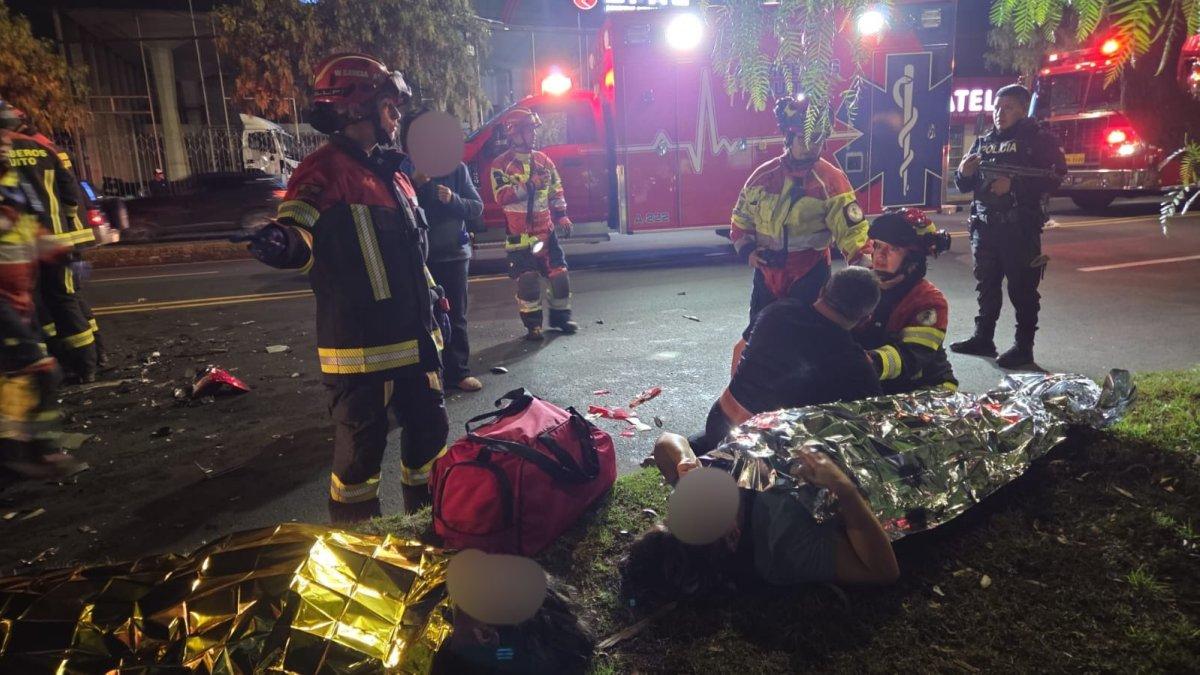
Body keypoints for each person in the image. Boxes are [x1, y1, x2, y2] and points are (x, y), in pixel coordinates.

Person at [236, 53, 449, 522]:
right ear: (359, 108)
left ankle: (427, 529)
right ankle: (358, 549)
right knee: (359, 461)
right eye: (390, 108)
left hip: (414, 341)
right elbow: (301, 231)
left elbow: (412, 257)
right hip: (360, 351)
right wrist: (283, 243)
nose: (396, 119)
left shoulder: (396, 174)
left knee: (429, 440)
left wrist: (436, 299)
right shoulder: (323, 171)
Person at [625, 432, 900, 593]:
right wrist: (842, 487)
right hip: (888, 458)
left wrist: (685, 458)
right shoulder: (783, 547)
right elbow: (883, 570)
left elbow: (665, 442)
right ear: (732, 537)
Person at [727, 96, 871, 375]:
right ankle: (754, 385)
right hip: (767, 273)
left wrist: (863, 271)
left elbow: (853, 232)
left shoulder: (831, 180)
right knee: (760, 335)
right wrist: (747, 251)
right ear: (789, 136)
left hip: (809, 273)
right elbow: (741, 220)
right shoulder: (762, 176)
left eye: (817, 138)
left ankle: (802, 388)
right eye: (805, 137)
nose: (811, 144)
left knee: (807, 339)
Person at [691, 267, 883, 454]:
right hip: (756, 450)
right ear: (866, 319)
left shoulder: (779, 310)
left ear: (822, 291)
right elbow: (873, 426)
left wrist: (745, 392)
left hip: (717, 421)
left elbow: (738, 349)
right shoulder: (856, 364)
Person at [951, 83, 1067, 370]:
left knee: (1022, 289)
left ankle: (1023, 348)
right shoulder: (984, 141)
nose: (999, 114)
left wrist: (1014, 185)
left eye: (1008, 108)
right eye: (997, 108)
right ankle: (983, 338)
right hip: (984, 227)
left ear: (1022, 110)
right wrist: (963, 172)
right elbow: (964, 184)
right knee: (986, 285)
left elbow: (1055, 177)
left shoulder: (1038, 140)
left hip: (1019, 229)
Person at [0, 98, 87, 481]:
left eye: (7, 135)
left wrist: (59, 248)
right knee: (41, 370)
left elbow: (23, 230)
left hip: (18, 298)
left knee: (14, 378)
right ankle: (38, 452)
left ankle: (16, 452)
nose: (6, 143)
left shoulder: (9, 185)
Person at [7, 110, 101, 383]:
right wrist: (69, 228)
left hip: (22, 244)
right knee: (67, 298)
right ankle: (89, 362)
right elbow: (71, 195)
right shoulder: (45, 148)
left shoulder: (6, 150)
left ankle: (62, 363)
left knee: (39, 303)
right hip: (57, 238)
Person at [400, 108, 485, 392]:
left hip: (454, 255)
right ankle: (428, 375)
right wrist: (415, 185)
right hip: (418, 258)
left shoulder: (456, 169)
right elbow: (393, 212)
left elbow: (476, 207)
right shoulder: (403, 172)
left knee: (455, 316)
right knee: (422, 318)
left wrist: (453, 199)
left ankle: (458, 373)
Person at [490, 107, 578, 341]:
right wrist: (530, 185)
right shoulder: (500, 164)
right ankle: (533, 326)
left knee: (560, 277)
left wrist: (562, 215)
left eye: (533, 129)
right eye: (529, 129)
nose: (534, 134)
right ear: (515, 133)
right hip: (519, 236)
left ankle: (561, 318)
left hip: (546, 231)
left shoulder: (544, 160)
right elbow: (502, 196)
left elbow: (556, 189)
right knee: (528, 281)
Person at [853, 208, 958, 393]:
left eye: (894, 249)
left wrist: (867, 362)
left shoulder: (928, 301)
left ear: (912, 259)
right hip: (876, 380)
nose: (880, 255)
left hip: (923, 389)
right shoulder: (860, 283)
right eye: (878, 245)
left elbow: (911, 357)